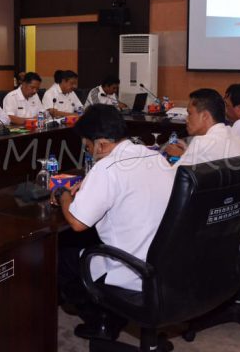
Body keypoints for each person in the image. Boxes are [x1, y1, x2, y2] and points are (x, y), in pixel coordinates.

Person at [51, 104, 175, 340]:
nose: (89, 152)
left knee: (62, 255)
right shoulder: (155, 156)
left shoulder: (107, 168)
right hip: (167, 263)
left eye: (88, 146)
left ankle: (102, 321)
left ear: (100, 144)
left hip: (132, 270)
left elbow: (77, 223)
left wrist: (63, 194)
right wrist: (90, 183)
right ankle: (112, 314)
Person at [164, 88, 240, 252]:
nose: (186, 119)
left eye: (189, 113)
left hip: (230, 238)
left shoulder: (202, 144)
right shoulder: (235, 136)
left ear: (205, 116)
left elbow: (170, 184)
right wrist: (188, 153)